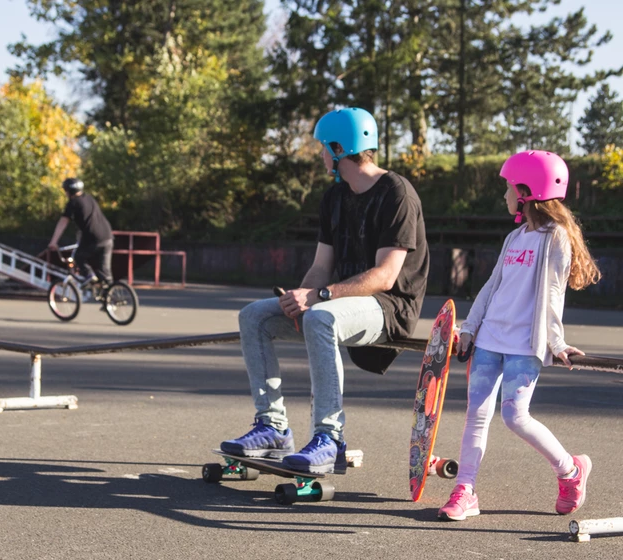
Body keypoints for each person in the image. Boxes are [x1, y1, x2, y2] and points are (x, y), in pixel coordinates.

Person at [220, 107, 430, 473]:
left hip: (388, 308)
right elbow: (321, 268)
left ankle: (329, 438)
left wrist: (317, 298)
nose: (319, 155)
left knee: (319, 316)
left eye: (321, 148)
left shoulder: (397, 193)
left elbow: (385, 276)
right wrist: (299, 296)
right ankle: (272, 427)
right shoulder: (334, 197)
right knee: (253, 315)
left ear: (338, 148)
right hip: (335, 304)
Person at [438, 150, 602, 521]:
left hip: (524, 345)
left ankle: (571, 470)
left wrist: (556, 342)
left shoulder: (554, 237)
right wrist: (470, 327)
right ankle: (465, 489)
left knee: (515, 417)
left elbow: (553, 292)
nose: (504, 194)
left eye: (508, 187)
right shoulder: (515, 237)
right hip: (489, 340)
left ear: (526, 191)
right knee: (476, 415)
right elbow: (492, 286)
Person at [48, 178, 114, 285]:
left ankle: (89, 275)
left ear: (69, 191)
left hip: (93, 238)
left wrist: (54, 241)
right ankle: (111, 293)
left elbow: (63, 222)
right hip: (107, 237)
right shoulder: (89, 198)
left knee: (78, 256)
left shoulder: (73, 203)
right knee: (105, 271)